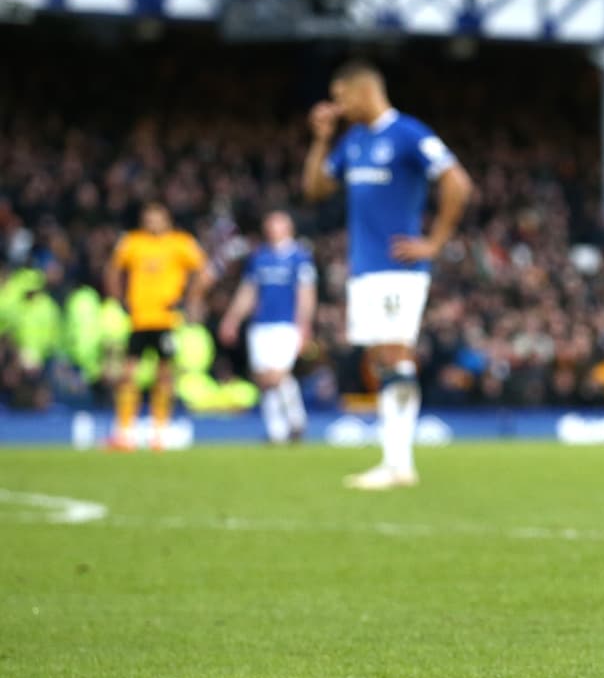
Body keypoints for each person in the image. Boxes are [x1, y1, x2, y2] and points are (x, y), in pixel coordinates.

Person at [302, 59, 472, 489]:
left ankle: (399, 465)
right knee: (381, 360)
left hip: (398, 268)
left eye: (341, 98)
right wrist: (322, 140)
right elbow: (316, 189)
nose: (337, 107)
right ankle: (394, 461)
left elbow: (457, 182)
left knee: (395, 356)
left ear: (362, 92)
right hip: (365, 269)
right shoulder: (354, 141)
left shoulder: (407, 133)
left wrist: (434, 242)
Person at [104, 202, 213, 450]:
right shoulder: (133, 242)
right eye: (149, 218)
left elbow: (205, 272)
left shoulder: (180, 243)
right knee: (128, 373)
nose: (153, 223)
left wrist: (189, 298)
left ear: (167, 220)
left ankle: (159, 433)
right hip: (139, 319)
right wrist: (118, 298)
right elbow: (112, 269)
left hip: (167, 320)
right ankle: (124, 433)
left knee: (164, 375)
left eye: (157, 218)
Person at [218, 211, 317, 443]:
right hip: (260, 324)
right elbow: (248, 292)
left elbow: (306, 293)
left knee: (278, 375)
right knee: (264, 378)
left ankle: (296, 420)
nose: (273, 229)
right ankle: (277, 431)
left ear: (288, 227)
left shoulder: (299, 258)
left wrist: (305, 324)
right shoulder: (259, 257)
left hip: (286, 324)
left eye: (278, 224)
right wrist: (232, 319)